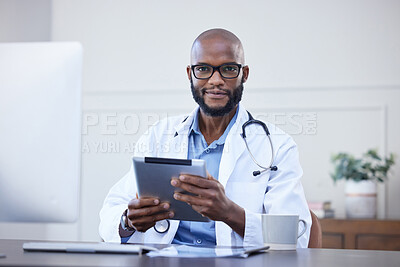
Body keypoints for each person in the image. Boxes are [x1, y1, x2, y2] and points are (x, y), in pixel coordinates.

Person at [99, 28, 311, 247]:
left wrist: (230, 212)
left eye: (228, 69)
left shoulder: (277, 145)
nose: (215, 80)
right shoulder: (159, 135)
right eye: (204, 69)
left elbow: (297, 236)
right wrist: (128, 222)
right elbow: (110, 212)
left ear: (244, 74)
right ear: (190, 74)